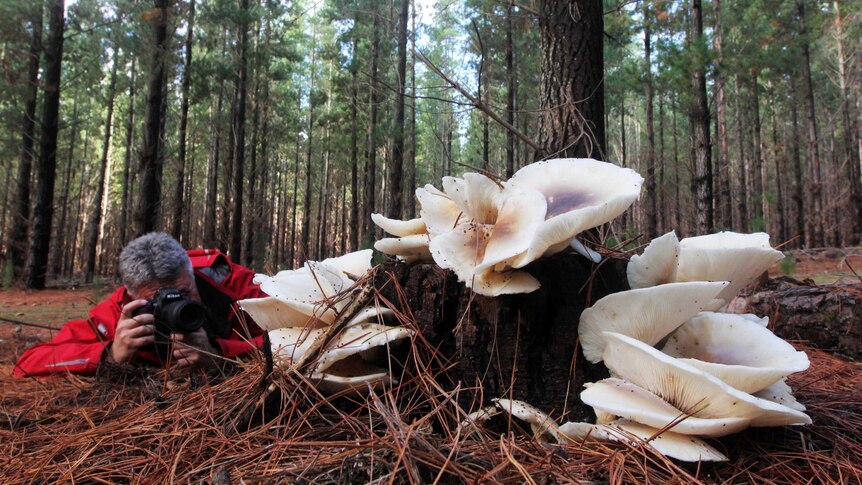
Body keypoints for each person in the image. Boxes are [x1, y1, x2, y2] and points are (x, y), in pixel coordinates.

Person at [14, 232, 266, 377]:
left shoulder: (233, 284)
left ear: (191, 273)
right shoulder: (121, 311)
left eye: (184, 293)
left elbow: (298, 337)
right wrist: (109, 355)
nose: (176, 304)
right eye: (156, 300)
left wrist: (221, 353)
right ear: (131, 295)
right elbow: (28, 362)